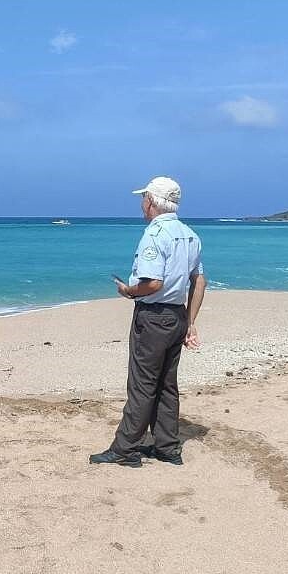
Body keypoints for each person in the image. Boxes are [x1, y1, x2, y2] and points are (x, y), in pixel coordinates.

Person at [90, 176, 207, 468]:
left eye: (144, 198)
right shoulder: (190, 235)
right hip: (177, 315)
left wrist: (129, 292)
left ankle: (125, 448)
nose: (142, 204)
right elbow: (200, 280)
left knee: (142, 384)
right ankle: (168, 446)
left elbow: (153, 284)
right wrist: (190, 322)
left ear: (152, 202)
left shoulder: (154, 236)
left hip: (154, 317)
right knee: (167, 383)